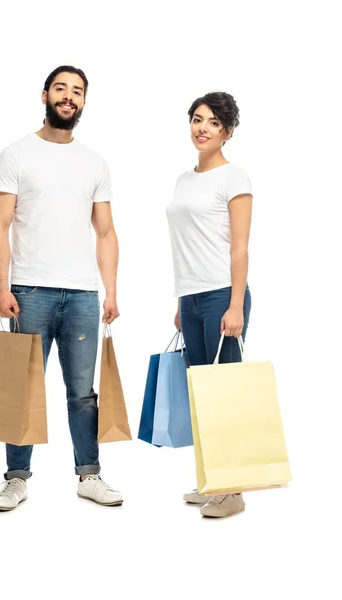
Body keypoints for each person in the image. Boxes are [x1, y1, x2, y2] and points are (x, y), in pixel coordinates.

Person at [0, 65, 123, 511]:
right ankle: (16, 479)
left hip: (83, 295)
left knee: (83, 394)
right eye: (61, 89)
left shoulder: (94, 162)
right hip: (29, 292)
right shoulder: (16, 154)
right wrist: (1, 287)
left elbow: (105, 233)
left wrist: (111, 291)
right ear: (44, 95)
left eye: (77, 91)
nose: (69, 97)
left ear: (84, 102)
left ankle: (90, 475)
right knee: (20, 389)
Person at [166, 92, 253, 518]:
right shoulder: (184, 180)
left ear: (228, 132)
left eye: (213, 123)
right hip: (193, 296)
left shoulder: (234, 178)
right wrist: (182, 299)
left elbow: (239, 249)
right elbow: (185, 245)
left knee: (225, 395)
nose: (202, 128)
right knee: (201, 395)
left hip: (223, 294)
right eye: (197, 119)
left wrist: (235, 304)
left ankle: (233, 490)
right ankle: (213, 480)